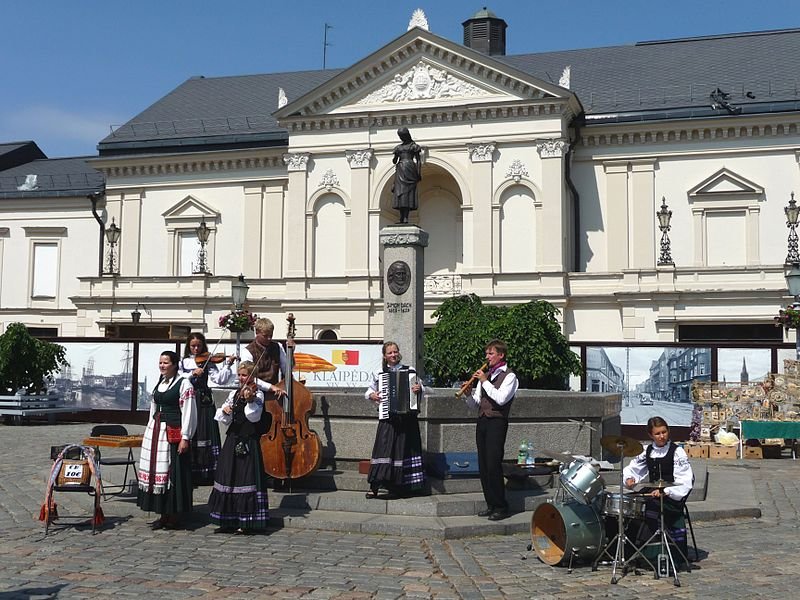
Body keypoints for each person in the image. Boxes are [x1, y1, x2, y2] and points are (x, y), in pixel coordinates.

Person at [208, 361, 271, 533]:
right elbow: (225, 419)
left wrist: (250, 400)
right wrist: (226, 411)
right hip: (233, 439)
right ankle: (227, 519)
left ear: (253, 376)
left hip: (248, 440)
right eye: (240, 375)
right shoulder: (234, 393)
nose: (242, 378)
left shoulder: (258, 395)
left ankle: (246, 522)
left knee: (245, 477)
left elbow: (253, 418)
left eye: (245, 375)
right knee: (228, 475)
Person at [624, 416, 694, 568]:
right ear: (651, 435)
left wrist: (667, 491)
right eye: (657, 434)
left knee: (653, 506)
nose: (662, 436)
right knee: (629, 504)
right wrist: (630, 478)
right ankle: (631, 550)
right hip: (653, 491)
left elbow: (685, 480)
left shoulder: (678, 452)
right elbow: (633, 468)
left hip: (672, 496)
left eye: (664, 432)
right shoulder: (647, 451)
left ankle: (658, 554)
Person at [137, 350, 197, 530]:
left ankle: (174, 514)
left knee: (173, 472)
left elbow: (189, 411)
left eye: (165, 363)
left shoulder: (184, 383)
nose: (162, 366)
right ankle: (163, 512)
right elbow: (153, 407)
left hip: (173, 432)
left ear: (174, 364)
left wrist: (186, 437)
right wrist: (149, 428)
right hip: (156, 432)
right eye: (160, 362)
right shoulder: (160, 383)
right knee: (157, 471)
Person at [464, 339, 518, 521]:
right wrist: (468, 393)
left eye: (491, 353)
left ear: (501, 355)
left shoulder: (509, 376)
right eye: (486, 353)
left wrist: (485, 381)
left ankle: (501, 506)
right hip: (483, 422)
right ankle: (490, 504)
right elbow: (475, 404)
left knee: (493, 464)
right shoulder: (485, 376)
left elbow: (501, 399)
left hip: (497, 422)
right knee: (483, 465)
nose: (487, 357)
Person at [364, 342, 425, 498]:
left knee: (403, 450)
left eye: (395, 352)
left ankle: (400, 487)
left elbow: (422, 388)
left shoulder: (410, 370)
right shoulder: (380, 373)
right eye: (390, 353)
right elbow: (369, 391)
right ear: (385, 356)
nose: (393, 355)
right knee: (383, 449)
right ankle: (375, 486)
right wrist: (373, 395)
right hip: (388, 417)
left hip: (407, 419)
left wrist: (419, 389)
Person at [179, 332, 234, 485]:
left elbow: (219, 380)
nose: (196, 349)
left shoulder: (208, 361)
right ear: (188, 346)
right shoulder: (183, 362)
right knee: (192, 429)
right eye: (193, 346)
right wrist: (191, 374)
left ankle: (208, 472)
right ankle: (191, 470)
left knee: (205, 429)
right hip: (190, 397)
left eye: (199, 346)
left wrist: (228, 364)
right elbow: (179, 378)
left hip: (204, 399)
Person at [391, 127, 423, 224]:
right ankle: (401, 217)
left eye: (402, 136)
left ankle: (405, 218)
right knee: (399, 193)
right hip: (400, 170)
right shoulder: (398, 148)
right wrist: (396, 155)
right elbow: (394, 161)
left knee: (408, 194)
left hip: (410, 170)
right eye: (400, 136)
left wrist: (418, 173)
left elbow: (418, 161)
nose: (401, 138)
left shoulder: (414, 146)